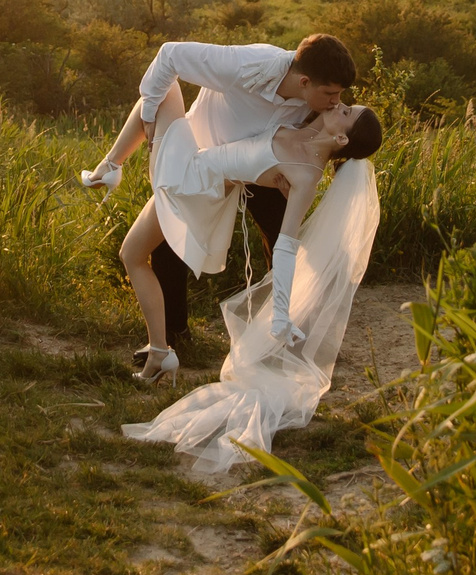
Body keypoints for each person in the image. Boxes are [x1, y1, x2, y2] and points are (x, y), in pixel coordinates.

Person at [121, 104, 384, 472]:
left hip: (193, 181)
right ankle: (161, 351)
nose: (340, 104)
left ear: (341, 138)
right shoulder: (297, 131)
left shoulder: (306, 176)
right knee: (163, 83)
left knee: (164, 80)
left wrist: (280, 314)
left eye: (347, 111)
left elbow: (287, 245)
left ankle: (108, 168)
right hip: (198, 168)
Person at [80, 34, 358, 381]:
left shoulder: (315, 100)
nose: (336, 103)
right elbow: (170, 55)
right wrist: (150, 117)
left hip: (241, 172)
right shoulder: (250, 66)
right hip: (201, 155)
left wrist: (305, 174)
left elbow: (333, 137)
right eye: (332, 95)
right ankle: (170, 338)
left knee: (283, 241)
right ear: (304, 82)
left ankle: (289, 332)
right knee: (165, 248)